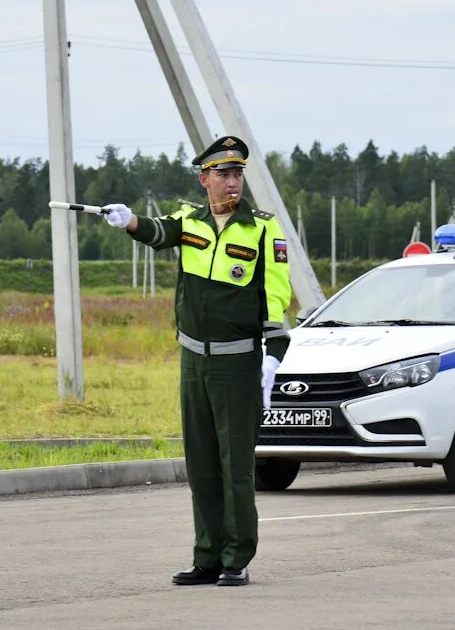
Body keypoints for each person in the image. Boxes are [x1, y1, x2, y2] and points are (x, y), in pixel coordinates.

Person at [101, 135, 291, 587]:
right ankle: (206, 557)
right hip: (194, 362)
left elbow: (277, 292)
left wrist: (273, 357)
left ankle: (236, 558)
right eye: (223, 174)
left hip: (238, 363)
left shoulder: (263, 228)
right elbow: (158, 232)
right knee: (202, 465)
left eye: (238, 174)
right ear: (204, 179)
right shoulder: (189, 220)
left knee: (235, 466)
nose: (232, 183)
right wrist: (130, 222)